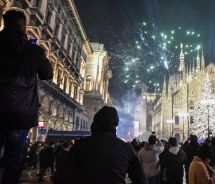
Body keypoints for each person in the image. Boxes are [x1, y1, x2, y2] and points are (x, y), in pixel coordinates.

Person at [0, 8, 53, 184]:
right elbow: (48, 73)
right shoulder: (33, 51)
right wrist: (39, 54)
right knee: (13, 160)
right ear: (23, 27)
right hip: (20, 114)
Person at [61, 106, 147, 184]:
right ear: (115, 125)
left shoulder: (80, 145)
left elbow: (62, 177)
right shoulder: (126, 148)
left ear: (95, 123)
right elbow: (141, 180)